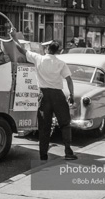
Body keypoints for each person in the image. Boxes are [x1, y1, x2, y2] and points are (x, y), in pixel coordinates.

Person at [10, 30, 77, 161]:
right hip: (58, 95)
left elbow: (21, 49)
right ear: (57, 51)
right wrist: (72, 95)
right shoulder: (61, 63)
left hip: (44, 96)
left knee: (44, 126)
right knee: (65, 124)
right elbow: (69, 80)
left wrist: (13, 37)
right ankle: (68, 152)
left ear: (47, 49)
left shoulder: (38, 58)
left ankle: (43, 155)